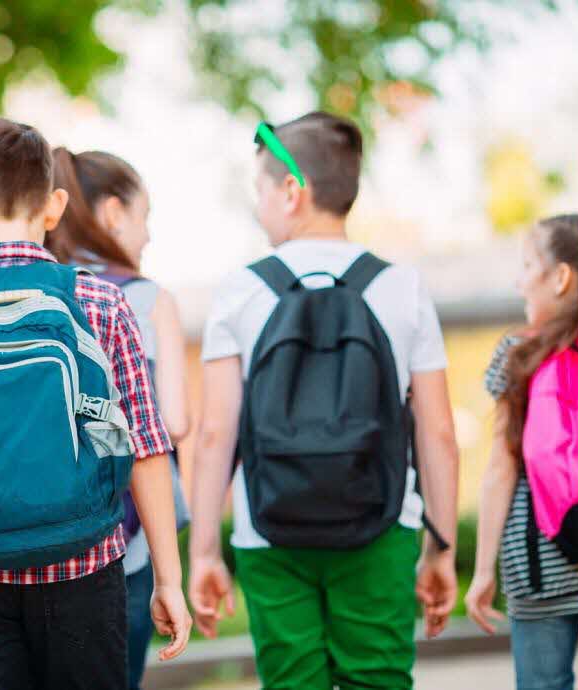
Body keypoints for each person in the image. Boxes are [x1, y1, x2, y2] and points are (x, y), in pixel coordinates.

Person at [0, 118, 191, 690]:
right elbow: (147, 446)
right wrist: (168, 580)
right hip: (87, 572)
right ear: (54, 208)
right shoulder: (102, 303)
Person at [187, 112, 460, 689]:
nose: (258, 206)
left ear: (291, 191)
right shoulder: (402, 286)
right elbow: (437, 434)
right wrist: (441, 549)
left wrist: (204, 552)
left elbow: (216, 434)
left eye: (259, 190)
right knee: (378, 679)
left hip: (270, 533)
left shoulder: (240, 290)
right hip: (381, 527)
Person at [46, 147, 192, 690]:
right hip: (125, 546)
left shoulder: (30, 290)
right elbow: (173, 421)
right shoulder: (147, 298)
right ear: (111, 212)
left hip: (29, 540)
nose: (147, 234)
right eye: (143, 215)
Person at [464, 214, 578, 690]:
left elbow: (500, 468)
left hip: (536, 567)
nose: (519, 281)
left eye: (528, 265)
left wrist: (482, 571)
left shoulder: (517, 354)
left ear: (560, 277)